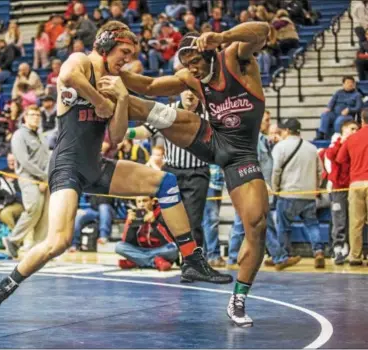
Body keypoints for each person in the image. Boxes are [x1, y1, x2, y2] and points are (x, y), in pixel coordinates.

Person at [0, 21, 232, 315]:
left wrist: (122, 97)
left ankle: (192, 261)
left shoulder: (117, 82)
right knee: (59, 241)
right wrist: (100, 100)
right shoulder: (83, 62)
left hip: (97, 165)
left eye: (130, 53)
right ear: (105, 45)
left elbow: (115, 136)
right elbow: (68, 75)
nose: (127, 58)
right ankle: (5, 286)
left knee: (165, 183)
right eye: (123, 51)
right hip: (67, 166)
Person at [119, 22, 270, 327]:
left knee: (256, 224)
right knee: (172, 115)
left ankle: (238, 298)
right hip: (210, 140)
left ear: (211, 53)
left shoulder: (234, 57)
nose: (192, 69)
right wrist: (115, 72)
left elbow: (264, 30)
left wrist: (224, 36)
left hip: (240, 156)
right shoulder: (191, 77)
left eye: (196, 62)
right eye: (187, 65)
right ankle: (110, 102)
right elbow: (149, 86)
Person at [126, 89, 211, 247]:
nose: (190, 95)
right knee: (164, 218)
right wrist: (126, 133)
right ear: (179, 91)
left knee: (193, 222)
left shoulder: (209, 113)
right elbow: (145, 131)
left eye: (193, 90)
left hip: (197, 174)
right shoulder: (168, 110)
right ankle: (171, 254)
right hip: (171, 172)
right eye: (186, 90)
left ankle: (194, 262)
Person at [228, 112, 301, 271]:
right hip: (252, 187)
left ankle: (235, 257)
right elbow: (250, 162)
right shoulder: (252, 139)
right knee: (252, 223)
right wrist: (261, 183)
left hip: (255, 187)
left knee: (244, 224)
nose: (269, 123)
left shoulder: (260, 139)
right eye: (266, 120)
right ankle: (278, 257)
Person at [272, 118, 325, 269]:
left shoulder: (280, 147)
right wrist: (316, 187)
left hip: (287, 194)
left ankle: (285, 255)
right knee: (312, 224)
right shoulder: (312, 148)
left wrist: (275, 188)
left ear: (287, 131)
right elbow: (320, 171)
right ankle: (319, 251)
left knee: (283, 227)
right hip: (307, 194)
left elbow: (276, 170)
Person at [2, 106, 50, 257]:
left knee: (44, 214)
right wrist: (43, 177)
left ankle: (38, 247)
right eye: (32, 115)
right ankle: (13, 240)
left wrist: (46, 177)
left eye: (38, 115)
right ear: (25, 117)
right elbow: (24, 161)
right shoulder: (19, 135)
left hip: (44, 179)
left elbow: (47, 157)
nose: (36, 117)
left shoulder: (41, 135)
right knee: (33, 209)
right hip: (28, 179)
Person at [324, 120, 359, 265]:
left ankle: (353, 249)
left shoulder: (356, 144)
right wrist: (342, 142)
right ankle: (338, 247)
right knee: (339, 219)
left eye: (356, 129)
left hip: (352, 186)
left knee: (354, 219)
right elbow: (330, 156)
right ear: (344, 130)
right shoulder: (335, 143)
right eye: (352, 128)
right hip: (339, 188)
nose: (354, 131)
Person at [336, 109, 368, 266]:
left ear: (362, 120)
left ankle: (355, 256)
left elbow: (340, 159)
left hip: (356, 183)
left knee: (355, 223)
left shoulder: (352, 138)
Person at [115, 196, 179, 271]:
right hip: (141, 250)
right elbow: (126, 242)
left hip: (160, 250)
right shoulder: (134, 215)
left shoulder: (163, 213)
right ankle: (154, 262)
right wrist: (130, 224)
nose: (141, 204)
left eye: (144, 201)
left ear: (152, 201)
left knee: (174, 248)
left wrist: (154, 223)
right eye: (139, 202)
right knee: (119, 246)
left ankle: (136, 261)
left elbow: (169, 241)